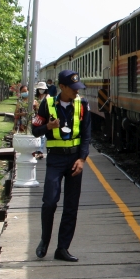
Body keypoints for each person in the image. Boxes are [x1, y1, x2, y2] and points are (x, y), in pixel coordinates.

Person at [30, 69, 91, 262]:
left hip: (74, 159)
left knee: (71, 207)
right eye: (72, 88)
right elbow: (34, 130)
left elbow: (86, 135)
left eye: (77, 88)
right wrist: (48, 126)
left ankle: (62, 249)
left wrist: (82, 159)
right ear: (62, 87)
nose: (76, 91)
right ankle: (44, 241)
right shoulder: (46, 104)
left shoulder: (83, 105)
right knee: (49, 202)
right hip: (55, 160)